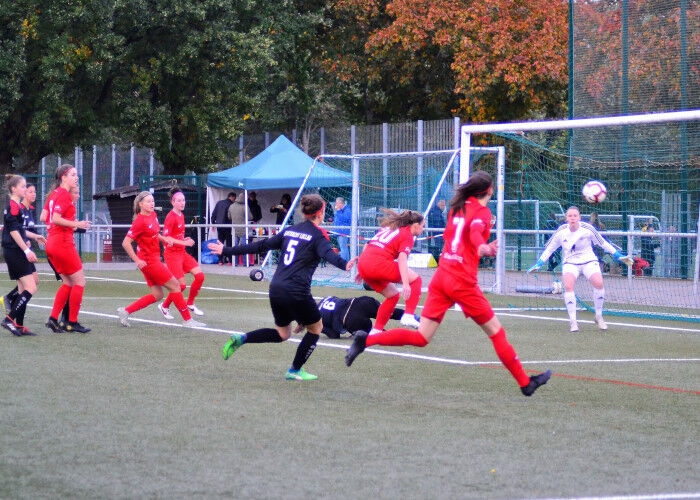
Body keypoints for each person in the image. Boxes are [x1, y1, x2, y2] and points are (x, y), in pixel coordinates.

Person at [345, 171, 552, 397]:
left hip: (442, 278)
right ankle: (525, 383)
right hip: (462, 282)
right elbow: (474, 233)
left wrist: (479, 247)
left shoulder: (456, 208)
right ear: (490, 190)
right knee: (496, 332)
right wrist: (483, 247)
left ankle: (366, 340)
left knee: (422, 337)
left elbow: (460, 240)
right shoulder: (482, 212)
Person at [208, 193, 358, 381]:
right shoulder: (318, 236)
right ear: (320, 213)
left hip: (276, 288)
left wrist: (226, 250)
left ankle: (242, 338)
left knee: (283, 333)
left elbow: (260, 246)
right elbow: (329, 255)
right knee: (316, 327)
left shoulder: (290, 230)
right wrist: (345, 265)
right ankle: (294, 370)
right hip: (297, 291)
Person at [528, 205, 633, 332]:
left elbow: (603, 243)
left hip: (588, 260)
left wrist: (618, 255)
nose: (572, 218)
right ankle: (573, 322)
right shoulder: (561, 231)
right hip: (570, 263)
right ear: (566, 218)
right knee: (568, 286)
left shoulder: (587, 228)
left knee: (599, 283)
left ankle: (598, 316)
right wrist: (539, 263)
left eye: (575, 215)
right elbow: (550, 249)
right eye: (570, 216)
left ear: (579, 217)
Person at [117, 191, 205, 328]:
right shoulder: (139, 221)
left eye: (153, 201)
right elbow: (126, 243)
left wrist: (164, 239)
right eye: (148, 201)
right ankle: (188, 320)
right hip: (149, 262)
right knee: (176, 286)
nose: (152, 203)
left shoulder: (153, 215)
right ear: (140, 204)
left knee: (157, 295)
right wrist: (137, 260)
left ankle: (125, 311)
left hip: (153, 259)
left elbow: (154, 234)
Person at [356, 208, 425, 333]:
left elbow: (367, 245)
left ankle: (376, 330)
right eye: (422, 226)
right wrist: (406, 283)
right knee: (416, 280)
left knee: (392, 295)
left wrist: (362, 270)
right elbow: (402, 259)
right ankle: (409, 315)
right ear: (415, 225)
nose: (423, 229)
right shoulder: (407, 234)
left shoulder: (389, 228)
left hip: (363, 264)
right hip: (378, 264)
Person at [43, 164, 91, 333]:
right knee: (80, 282)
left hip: (53, 242)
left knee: (68, 282)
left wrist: (71, 225)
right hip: (62, 243)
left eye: (76, 174)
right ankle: (72, 322)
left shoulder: (55, 193)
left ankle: (53, 319)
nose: (76, 177)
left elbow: (45, 217)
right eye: (72, 174)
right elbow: (56, 218)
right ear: (63, 177)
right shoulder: (63, 193)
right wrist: (76, 224)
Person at [157, 187, 206, 320]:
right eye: (179, 201)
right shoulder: (170, 217)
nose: (182, 203)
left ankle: (190, 303)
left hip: (182, 252)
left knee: (200, 276)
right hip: (172, 255)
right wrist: (185, 243)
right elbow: (167, 238)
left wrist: (184, 239)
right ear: (173, 202)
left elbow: (176, 236)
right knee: (181, 286)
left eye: (183, 200)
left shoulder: (181, 215)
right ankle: (164, 306)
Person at [0, 175, 41, 336]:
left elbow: (19, 230)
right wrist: (26, 250)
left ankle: (19, 325)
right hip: (14, 251)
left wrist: (34, 237)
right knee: (31, 287)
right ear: (13, 189)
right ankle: (9, 320)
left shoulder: (17, 205)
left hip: (15, 250)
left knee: (23, 288)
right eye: (23, 186)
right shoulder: (13, 206)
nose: (25, 189)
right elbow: (13, 231)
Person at [316, 295, 405, 339]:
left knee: (378, 335)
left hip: (352, 319)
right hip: (361, 302)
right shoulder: (326, 298)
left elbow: (334, 335)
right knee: (390, 312)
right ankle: (411, 316)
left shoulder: (316, 319)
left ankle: (402, 336)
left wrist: (321, 329)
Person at [211, 192, 235, 265]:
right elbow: (231, 216)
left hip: (219, 225)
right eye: (234, 198)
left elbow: (214, 214)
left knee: (220, 242)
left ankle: (220, 260)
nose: (234, 200)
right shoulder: (231, 204)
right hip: (227, 226)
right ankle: (230, 260)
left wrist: (213, 224)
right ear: (232, 197)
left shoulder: (219, 203)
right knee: (229, 243)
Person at [333, 197, 352, 261]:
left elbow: (345, 219)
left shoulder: (347, 210)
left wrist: (338, 211)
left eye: (337, 203)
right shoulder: (340, 211)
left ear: (341, 203)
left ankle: (344, 262)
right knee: (343, 248)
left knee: (343, 248)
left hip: (343, 232)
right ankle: (346, 262)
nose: (336, 205)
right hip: (339, 232)